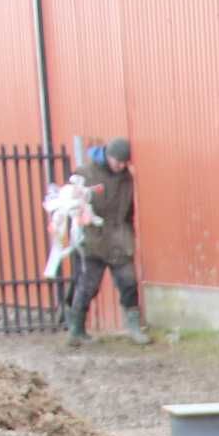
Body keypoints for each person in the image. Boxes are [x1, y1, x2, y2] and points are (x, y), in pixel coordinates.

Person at [65, 137, 148, 345]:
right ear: (108, 156)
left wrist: (129, 233)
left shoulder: (126, 178)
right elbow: (73, 207)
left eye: (124, 162)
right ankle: (76, 330)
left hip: (120, 238)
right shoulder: (85, 174)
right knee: (88, 285)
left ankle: (134, 327)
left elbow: (129, 209)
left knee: (128, 282)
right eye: (118, 161)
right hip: (94, 238)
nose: (121, 166)